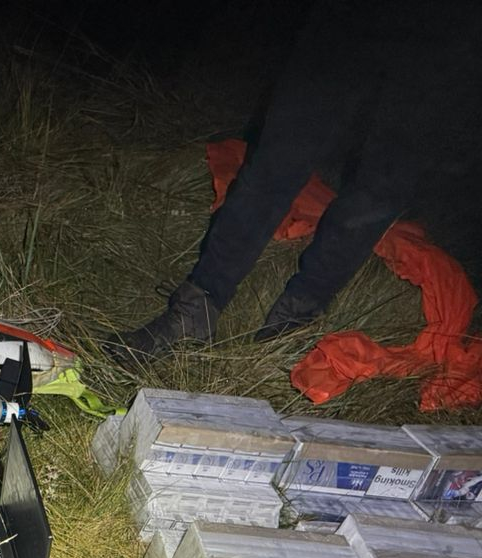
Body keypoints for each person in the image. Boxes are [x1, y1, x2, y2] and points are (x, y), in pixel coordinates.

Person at [107, 0, 482, 360]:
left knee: (380, 190)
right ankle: (195, 309)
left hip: (446, 31)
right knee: (278, 156)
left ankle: (291, 322)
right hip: (355, 15)